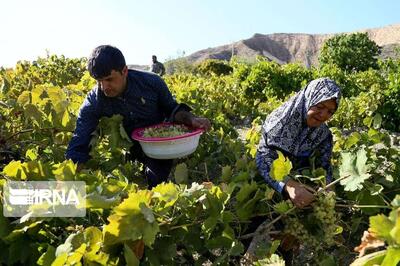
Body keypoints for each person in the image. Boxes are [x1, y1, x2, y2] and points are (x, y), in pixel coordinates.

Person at [66, 45, 210, 188]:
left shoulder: (152, 83)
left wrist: (191, 119)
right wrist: (69, 177)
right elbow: (80, 139)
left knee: (156, 181)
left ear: (124, 71)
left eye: (109, 79)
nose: (104, 87)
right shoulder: (94, 101)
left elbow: (171, 109)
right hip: (127, 149)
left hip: (158, 146)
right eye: (99, 81)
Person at [256, 78, 341, 209]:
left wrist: (327, 187)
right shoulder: (278, 123)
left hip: (305, 187)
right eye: (320, 107)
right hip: (271, 186)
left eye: (330, 111)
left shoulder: (323, 135)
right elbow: (264, 159)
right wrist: (289, 186)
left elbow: (323, 166)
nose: (324, 114)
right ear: (308, 100)